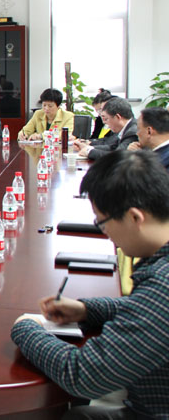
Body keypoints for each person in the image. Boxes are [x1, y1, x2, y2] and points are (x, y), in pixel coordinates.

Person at [11, 149, 169, 420]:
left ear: (134, 217)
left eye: (103, 224)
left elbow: (83, 375)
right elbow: (143, 307)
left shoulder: (161, 286)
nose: (107, 236)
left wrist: (25, 329)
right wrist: (86, 310)